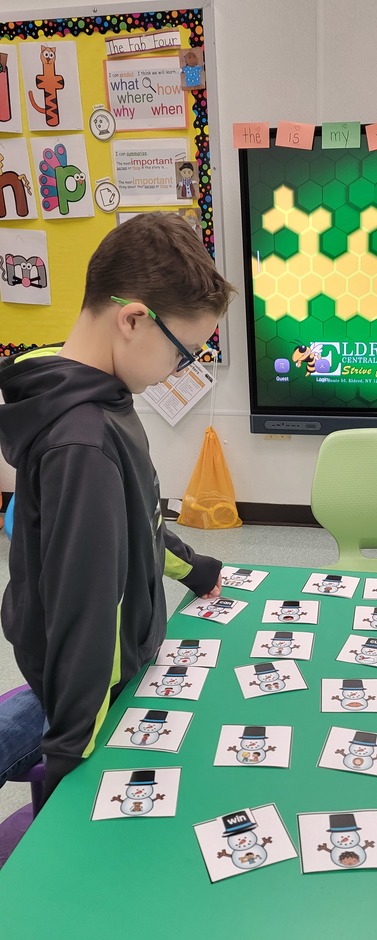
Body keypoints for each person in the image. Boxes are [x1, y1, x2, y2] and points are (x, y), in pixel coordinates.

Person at [0, 212, 235, 805]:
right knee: (44, 735)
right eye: (185, 353)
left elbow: (139, 515)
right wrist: (70, 753)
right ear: (134, 319)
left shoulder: (85, 383)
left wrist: (189, 566)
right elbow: (88, 607)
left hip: (106, 659)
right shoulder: (82, 442)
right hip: (91, 681)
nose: (182, 370)